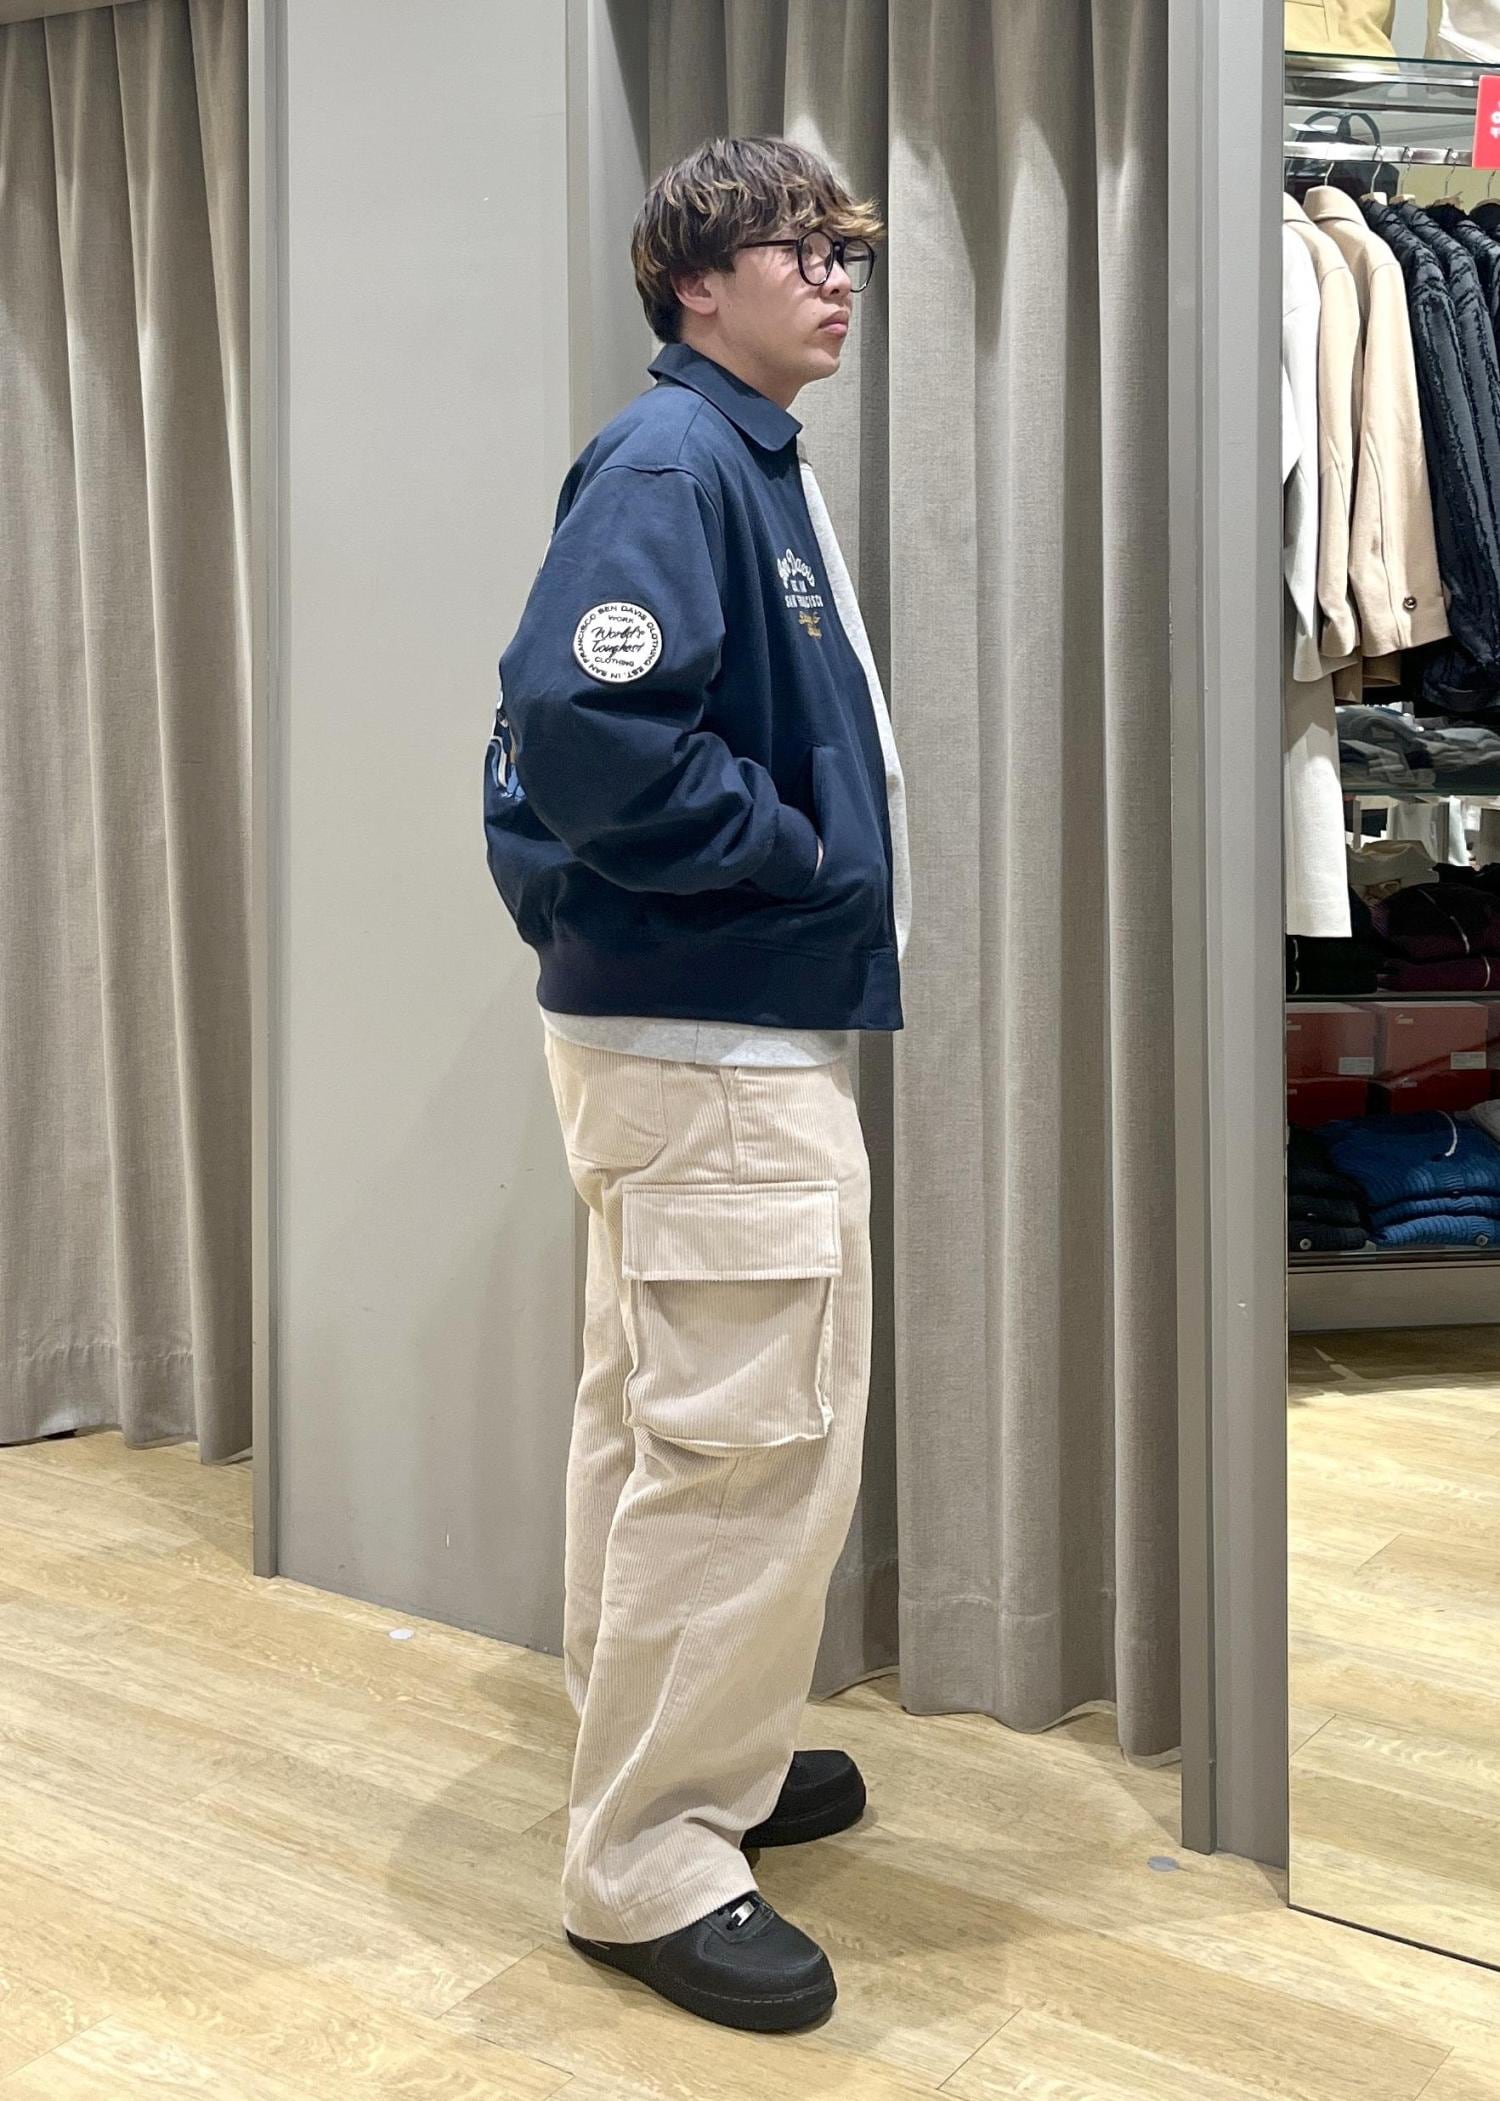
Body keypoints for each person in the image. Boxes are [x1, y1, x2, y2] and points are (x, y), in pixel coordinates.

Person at [483, 133, 910, 2035]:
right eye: (794, 249)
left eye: (844, 251)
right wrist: (797, 855)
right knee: (742, 1452)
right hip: (709, 1043)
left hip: (698, 1033)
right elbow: (583, 727)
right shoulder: (675, 458)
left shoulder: (734, 455)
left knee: (665, 1424)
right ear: (692, 281)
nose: (833, 278)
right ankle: (653, 1855)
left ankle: (683, 1756)